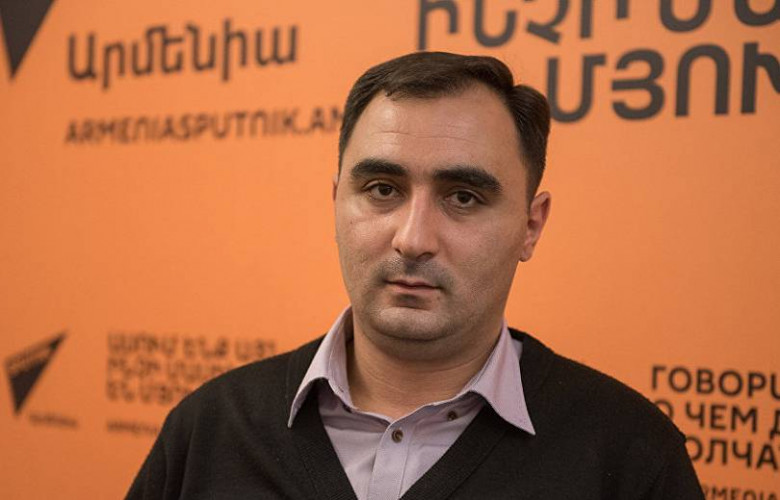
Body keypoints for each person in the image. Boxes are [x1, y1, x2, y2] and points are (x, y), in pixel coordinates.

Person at [126, 52, 703, 499]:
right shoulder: (209, 430)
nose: (413, 239)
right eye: (382, 189)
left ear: (530, 226)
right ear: (336, 203)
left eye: (463, 197)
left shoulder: (630, 456)